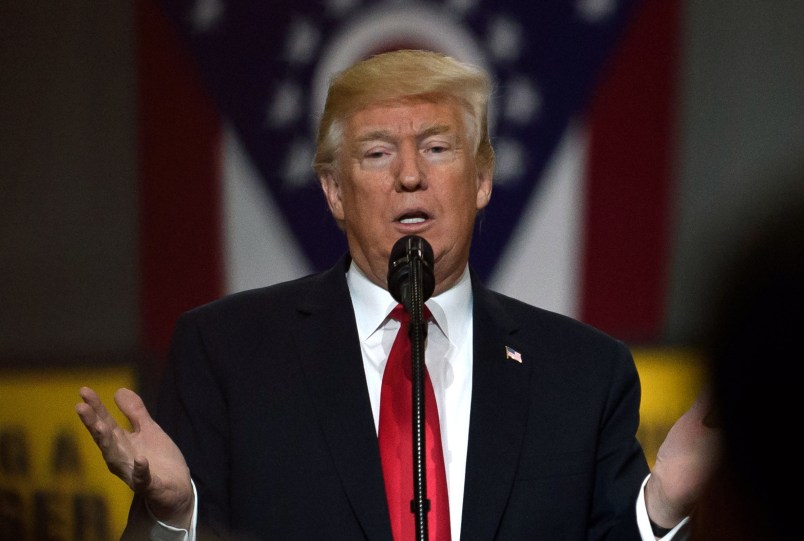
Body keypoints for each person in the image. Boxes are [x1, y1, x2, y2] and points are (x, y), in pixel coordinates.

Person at [76, 49, 718, 540]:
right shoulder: (228, 355)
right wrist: (174, 515)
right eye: (378, 153)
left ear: (483, 179)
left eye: (437, 148)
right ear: (333, 191)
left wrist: (661, 508)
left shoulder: (583, 373)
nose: (410, 176)